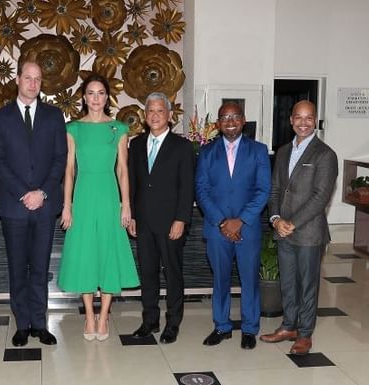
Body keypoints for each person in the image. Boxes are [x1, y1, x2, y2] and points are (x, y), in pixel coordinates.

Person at [0, 60, 67, 347]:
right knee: (18, 266)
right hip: (14, 206)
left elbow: (60, 158)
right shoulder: (0, 117)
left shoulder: (54, 115)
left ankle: (39, 322)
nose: (33, 83)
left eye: (38, 79)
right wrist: (24, 192)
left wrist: (43, 192)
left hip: (45, 206)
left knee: (41, 266)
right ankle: (22, 324)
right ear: (18, 80)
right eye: (28, 78)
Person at [58, 74, 140, 341]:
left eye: (101, 93)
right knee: (84, 254)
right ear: (84, 97)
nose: (96, 98)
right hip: (82, 195)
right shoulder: (74, 129)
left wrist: (125, 205)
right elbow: (69, 170)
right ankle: (89, 317)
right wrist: (67, 205)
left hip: (108, 195)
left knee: (107, 253)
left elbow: (123, 170)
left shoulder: (118, 128)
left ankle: (104, 317)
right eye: (91, 93)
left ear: (107, 97)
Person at [260, 100, 338, 355]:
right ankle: (288, 326)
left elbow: (321, 196)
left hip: (308, 233)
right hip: (283, 230)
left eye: (309, 118)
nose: (303, 122)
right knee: (288, 283)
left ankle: (305, 333)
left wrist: (292, 223)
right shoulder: (282, 151)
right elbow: (274, 190)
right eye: (298, 117)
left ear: (315, 121)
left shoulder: (325, 154)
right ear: (291, 120)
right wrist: (275, 220)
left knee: (307, 284)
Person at [195, 102, 271, 350]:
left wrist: (240, 220)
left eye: (235, 116)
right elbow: (202, 191)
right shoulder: (206, 153)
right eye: (224, 117)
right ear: (217, 123)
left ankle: (249, 329)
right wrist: (221, 221)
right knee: (220, 280)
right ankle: (222, 326)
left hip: (247, 228)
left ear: (243, 120)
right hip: (217, 229)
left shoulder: (258, 151)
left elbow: (263, 190)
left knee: (249, 280)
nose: (230, 121)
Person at [127, 92, 195, 344]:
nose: (154, 116)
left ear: (169, 115)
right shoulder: (135, 145)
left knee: (173, 273)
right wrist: (132, 215)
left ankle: (173, 323)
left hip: (171, 224)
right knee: (148, 273)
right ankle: (150, 321)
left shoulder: (182, 146)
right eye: (150, 111)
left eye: (159, 111)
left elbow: (187, 187)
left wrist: (181, 219)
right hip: (143, 222)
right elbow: (132, 184)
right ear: (145, 116)